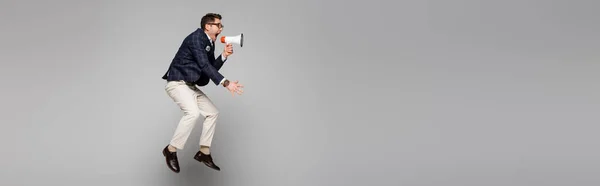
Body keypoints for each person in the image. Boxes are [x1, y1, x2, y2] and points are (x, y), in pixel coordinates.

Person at [160, 13, 244, 173]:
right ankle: (170, 150)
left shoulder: (209, 42)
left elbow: (209, 68)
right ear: (208, 26)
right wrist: (226, 83)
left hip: (189, 85)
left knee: (212, 113)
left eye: (221, 25)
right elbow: (205, 66)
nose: (221, 28)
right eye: (218, 25)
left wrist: (224, 56)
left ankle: (204, 152)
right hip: (177, 83)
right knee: (192, 113)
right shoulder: (196, 38)